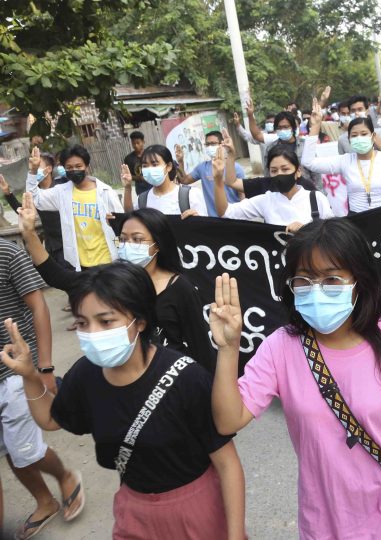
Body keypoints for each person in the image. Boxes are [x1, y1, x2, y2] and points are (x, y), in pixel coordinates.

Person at [209, 219, 381, 538]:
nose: (317, 290)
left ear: (359, 281)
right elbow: (227, 422)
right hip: (324, 524)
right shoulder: (280, 347)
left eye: (332, 279)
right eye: (304, 280)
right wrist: (228, 349)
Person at [0, 263, 246, 539]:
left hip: (195, 507)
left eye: (106, 321)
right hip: (133, 509)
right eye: (82, 323)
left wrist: (235, 535)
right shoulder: (84, 375)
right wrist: (29, 375)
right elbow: (50, 419)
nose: (92, 333)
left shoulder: (187, 378)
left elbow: (227, 464)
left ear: (139, 321)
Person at [18, 194, 217, 372]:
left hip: (168, 380)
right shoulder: (112, 279)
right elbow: (59, 278)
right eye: (123, 239)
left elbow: (201, 347)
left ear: (158, 244)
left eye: (137, 240)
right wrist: (30, 235)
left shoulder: (180, 287)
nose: (128, 245)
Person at [0, 237, 83, 539]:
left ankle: (65, 477)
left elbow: (38, 306)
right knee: (10, 449)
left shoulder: (7, 252)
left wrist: (44, 368)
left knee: (25, 452)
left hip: (16, 372)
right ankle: (44, 502)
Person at [26, 145, 122, 271]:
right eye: (69, 168)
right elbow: (34, 198)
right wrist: (33, 171)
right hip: (80, 264)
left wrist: (121, 254)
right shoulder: (61, 192)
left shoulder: (106, 192)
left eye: (78, 166)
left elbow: (121, 227)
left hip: (108, 261)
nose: (74, 170)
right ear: (64, 169)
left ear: (87, 167)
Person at [302, 100, 381, 214]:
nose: (359, 138)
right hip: (356, 220)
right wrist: (315, 125)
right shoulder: (345, 161)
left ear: (373, 137)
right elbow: (308, 162)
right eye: (354, 135)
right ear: (349, 140)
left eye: (363, 134)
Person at [214, 144, 333, 230]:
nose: (279, 174)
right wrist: (218, 180)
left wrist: (306, 230)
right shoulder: (267, 200)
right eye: (274, 171)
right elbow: (225, 212)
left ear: (298, 172)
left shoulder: (316, 198)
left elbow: (332, 233)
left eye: (285, 169)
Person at [1, 154, 69, 269]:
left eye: (37, 167)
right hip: (52, 246)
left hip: (68, 244)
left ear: (49, 169)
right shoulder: (36, 192)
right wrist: (8, 193)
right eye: (31, 168)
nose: (33, 171)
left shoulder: (61, 188)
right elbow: (24, 212)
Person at [121, 144, 207, 216]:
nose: (150, 169)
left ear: (168, 166)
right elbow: (130, 218)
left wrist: (197, 219)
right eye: (145, 166)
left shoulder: (191, 195)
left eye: (154, 164)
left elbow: (204, 230)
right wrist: (127, 188)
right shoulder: (142, 200)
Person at [177, 130, 244, 217]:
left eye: (213, 144)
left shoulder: (235, 168)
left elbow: (242, 195)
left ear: (222, 144)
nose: (209, 147)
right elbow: (184, 180)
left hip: (234, 217)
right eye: (207, 144)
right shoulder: (202, 167)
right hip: (213, 219)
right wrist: (181, 161)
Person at [124, 131, 151, 195]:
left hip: (153, 183)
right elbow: (127, 174)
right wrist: (139, 178)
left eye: (138, 143)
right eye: (133, 143)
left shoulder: (151, 155)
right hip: (140, 187)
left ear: (143, 142)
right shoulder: (128, 158)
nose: (136, 145)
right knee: (143, 203)